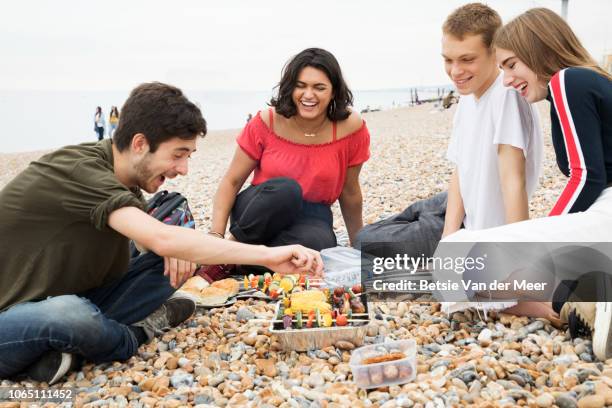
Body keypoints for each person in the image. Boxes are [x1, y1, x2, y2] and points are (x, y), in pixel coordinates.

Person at [0, 82, 322, 384]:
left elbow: (154, 239)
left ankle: (61, 353)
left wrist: (171, 247)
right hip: (11, 317)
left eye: (188, 157)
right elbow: (161, 237)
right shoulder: (79, 169)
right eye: (178, 154)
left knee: (173, 260)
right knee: (68, 313)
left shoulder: (124, 181)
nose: (183, 169)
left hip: (75, 295)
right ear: (140, 144)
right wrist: (268, 256)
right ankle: (133, 336)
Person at [441, 7, 612, 359]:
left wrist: (533, 246)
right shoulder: (578, 82)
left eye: (512, 64)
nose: (507, 79)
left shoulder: (567, 81)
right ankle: (577, 302)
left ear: (539, 51)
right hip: (603, 208)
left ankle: (579, 299)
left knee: (455, 261)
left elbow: (586, 178)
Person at [354, 3, 542, 262]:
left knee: (364, 241)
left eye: (467, 59)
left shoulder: (506, 94)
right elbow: (460, 171)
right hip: (455, 202)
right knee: (371, 231)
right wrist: (448, 240)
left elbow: (514, 181)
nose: (455, 71)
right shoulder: (468, 96)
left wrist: (516, 259)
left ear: (494, 53)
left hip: (478, 228)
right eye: (448, 59)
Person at [207, 48, 369, 277]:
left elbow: (350, 192)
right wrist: (215, 238)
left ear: (334, 91)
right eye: (300, 86)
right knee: (287, 190)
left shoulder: (351, 128)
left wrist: (358, 248)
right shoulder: (266, 121)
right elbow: (232, 181)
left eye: (319, 87)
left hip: (311, 214)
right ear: (290, 87)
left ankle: (247, 261)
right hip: (261, 209)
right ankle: (225, 255)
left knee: (317, 246)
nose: (308, 95)